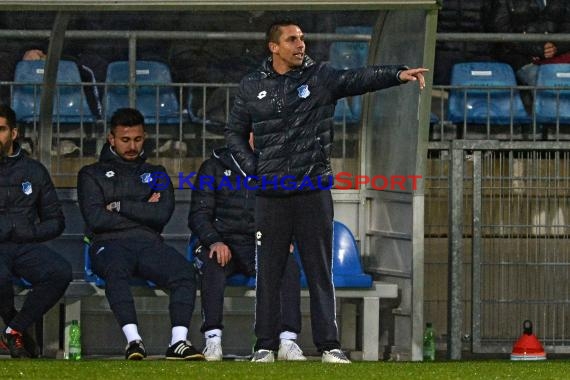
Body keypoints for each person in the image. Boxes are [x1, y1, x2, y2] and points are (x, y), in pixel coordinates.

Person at [225, 19, 427, 363]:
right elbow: (233, 134)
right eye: (292, 40)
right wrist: (255, 171)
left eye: (302, 38)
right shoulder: (251, 86)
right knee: (269, 273)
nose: (300, 44)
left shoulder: (320, 78)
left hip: (312, 189)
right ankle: (264, 346)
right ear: (274, 47)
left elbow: (358, 79)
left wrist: (397, 73)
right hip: (271, 194)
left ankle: (329, 345)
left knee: (320, 271)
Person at [77, 107, 204, 361]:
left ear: (144, 137)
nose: (132, 146)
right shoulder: (90, 174)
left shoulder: (156, 172)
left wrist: (118, 206)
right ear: (111, 139)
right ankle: (134, 342)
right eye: (125, 140)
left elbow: (162, 214)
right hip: (109, 244)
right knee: (116, 270)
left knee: (185, 273)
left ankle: (178, 342)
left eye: (137, 139)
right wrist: (144, 209)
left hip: (148, 244)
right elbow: (96, 218)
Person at [188, 135, 305, 362]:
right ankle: (212, 341)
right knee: (213, 263)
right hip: (223, 242)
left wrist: (284, 236)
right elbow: (199, 214)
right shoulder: (213, 166)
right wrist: (214, 241)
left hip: (259, 243)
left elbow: (289, 209)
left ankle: (288, 341)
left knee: (287, 267)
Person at [0, 104, 72, 358]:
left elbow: (56, 221)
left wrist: (27, 232)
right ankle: (15, 331)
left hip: (24, 245)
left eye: (1, 129)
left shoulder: (34, 171)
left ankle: (13, 330)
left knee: (60, 271)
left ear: (14, 133)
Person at [484, 0, 570, 86]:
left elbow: (567, 27)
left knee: (561, 84)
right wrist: (537, 49)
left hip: (557, 56)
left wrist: (556, 47)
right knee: (548, 84)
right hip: (519, 57)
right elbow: (502, 30)